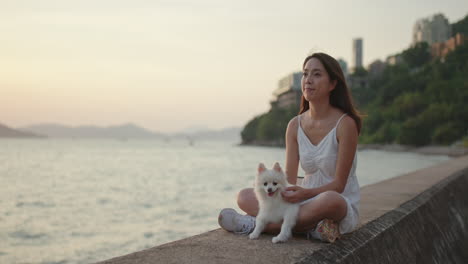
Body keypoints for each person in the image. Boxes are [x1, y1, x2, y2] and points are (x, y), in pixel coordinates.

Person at [218, 52, 362, 242]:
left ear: (333, 84)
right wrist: (284, 193)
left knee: (331, 200)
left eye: (317, 74)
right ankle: (312, 228)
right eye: (305, 74)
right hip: (303, 202)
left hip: (334, 202)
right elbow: (290, 179)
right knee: (244, 196)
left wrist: (306, 193)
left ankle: (255, 224)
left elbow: (339, 185)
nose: (308, 80)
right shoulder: (294, 125)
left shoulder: (345, 124)